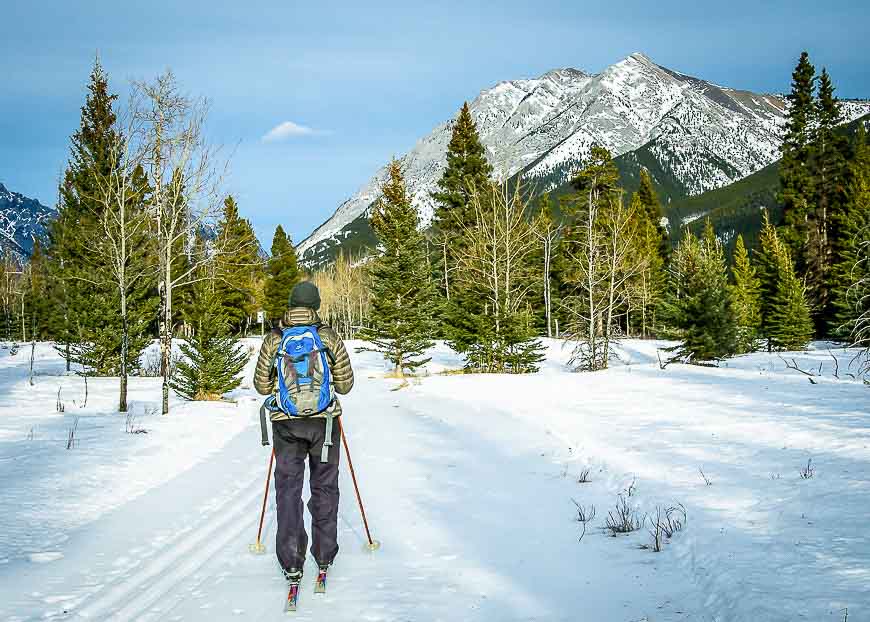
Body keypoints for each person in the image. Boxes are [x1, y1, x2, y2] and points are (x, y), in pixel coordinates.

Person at [253, 281, 355, 585]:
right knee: (324, 488)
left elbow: (260, 386)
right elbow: (346, 385)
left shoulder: (274, 338)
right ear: (315, 306)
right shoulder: (327, 336)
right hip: (324, 426)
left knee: (288, 490)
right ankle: (324, 555)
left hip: (285, 425)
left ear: (290, 305)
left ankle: (291, 561)